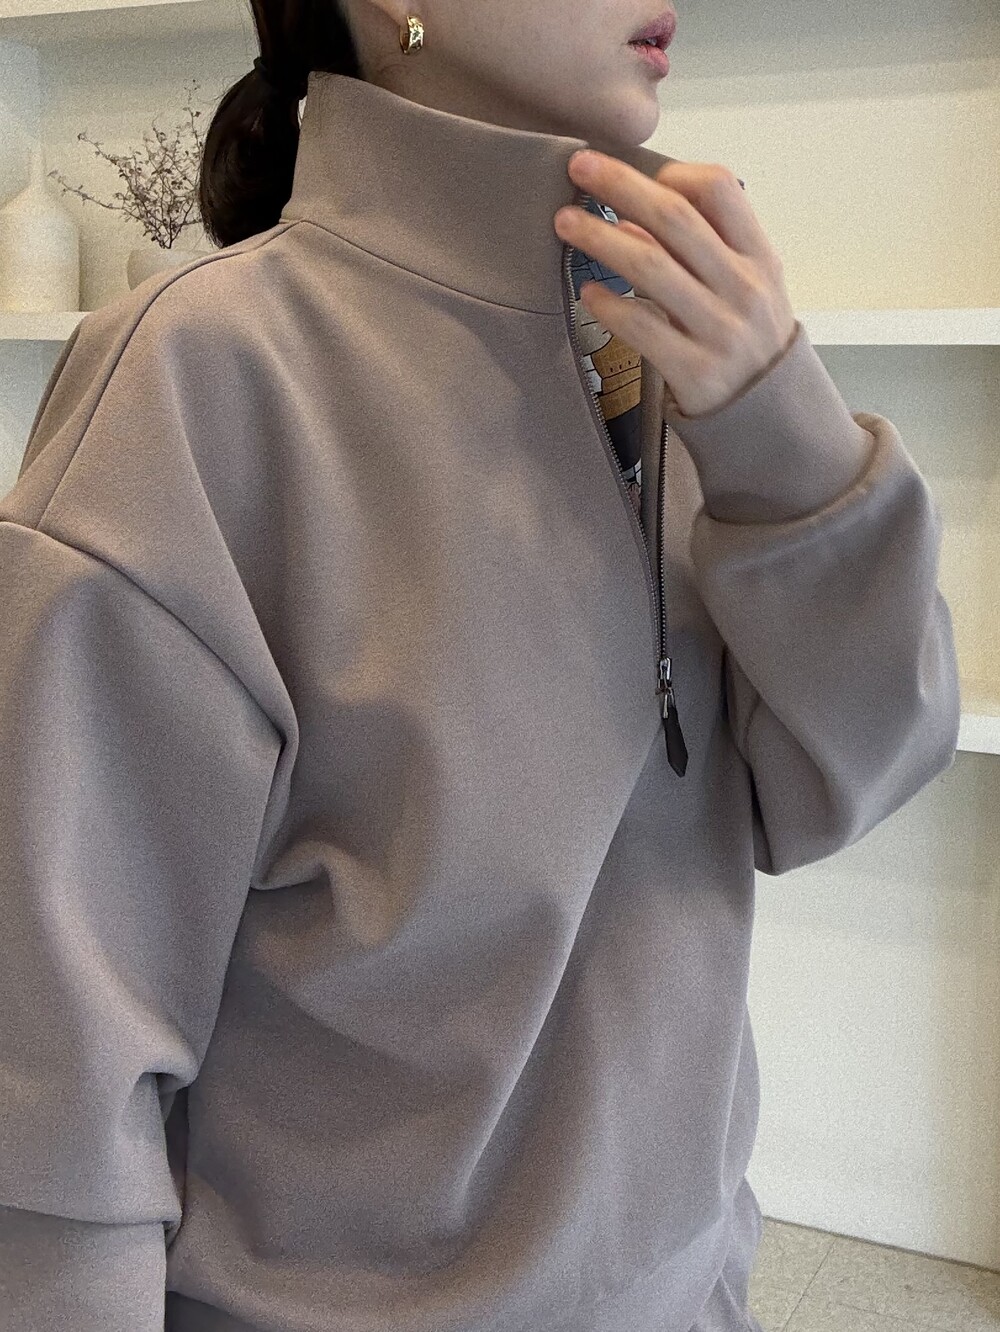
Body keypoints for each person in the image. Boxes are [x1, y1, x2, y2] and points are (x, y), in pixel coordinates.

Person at [0, 3, 961, 1331]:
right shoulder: (200, 381)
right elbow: (54, 1085)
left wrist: (783, 435)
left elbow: (849, 776)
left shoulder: (676, 354)